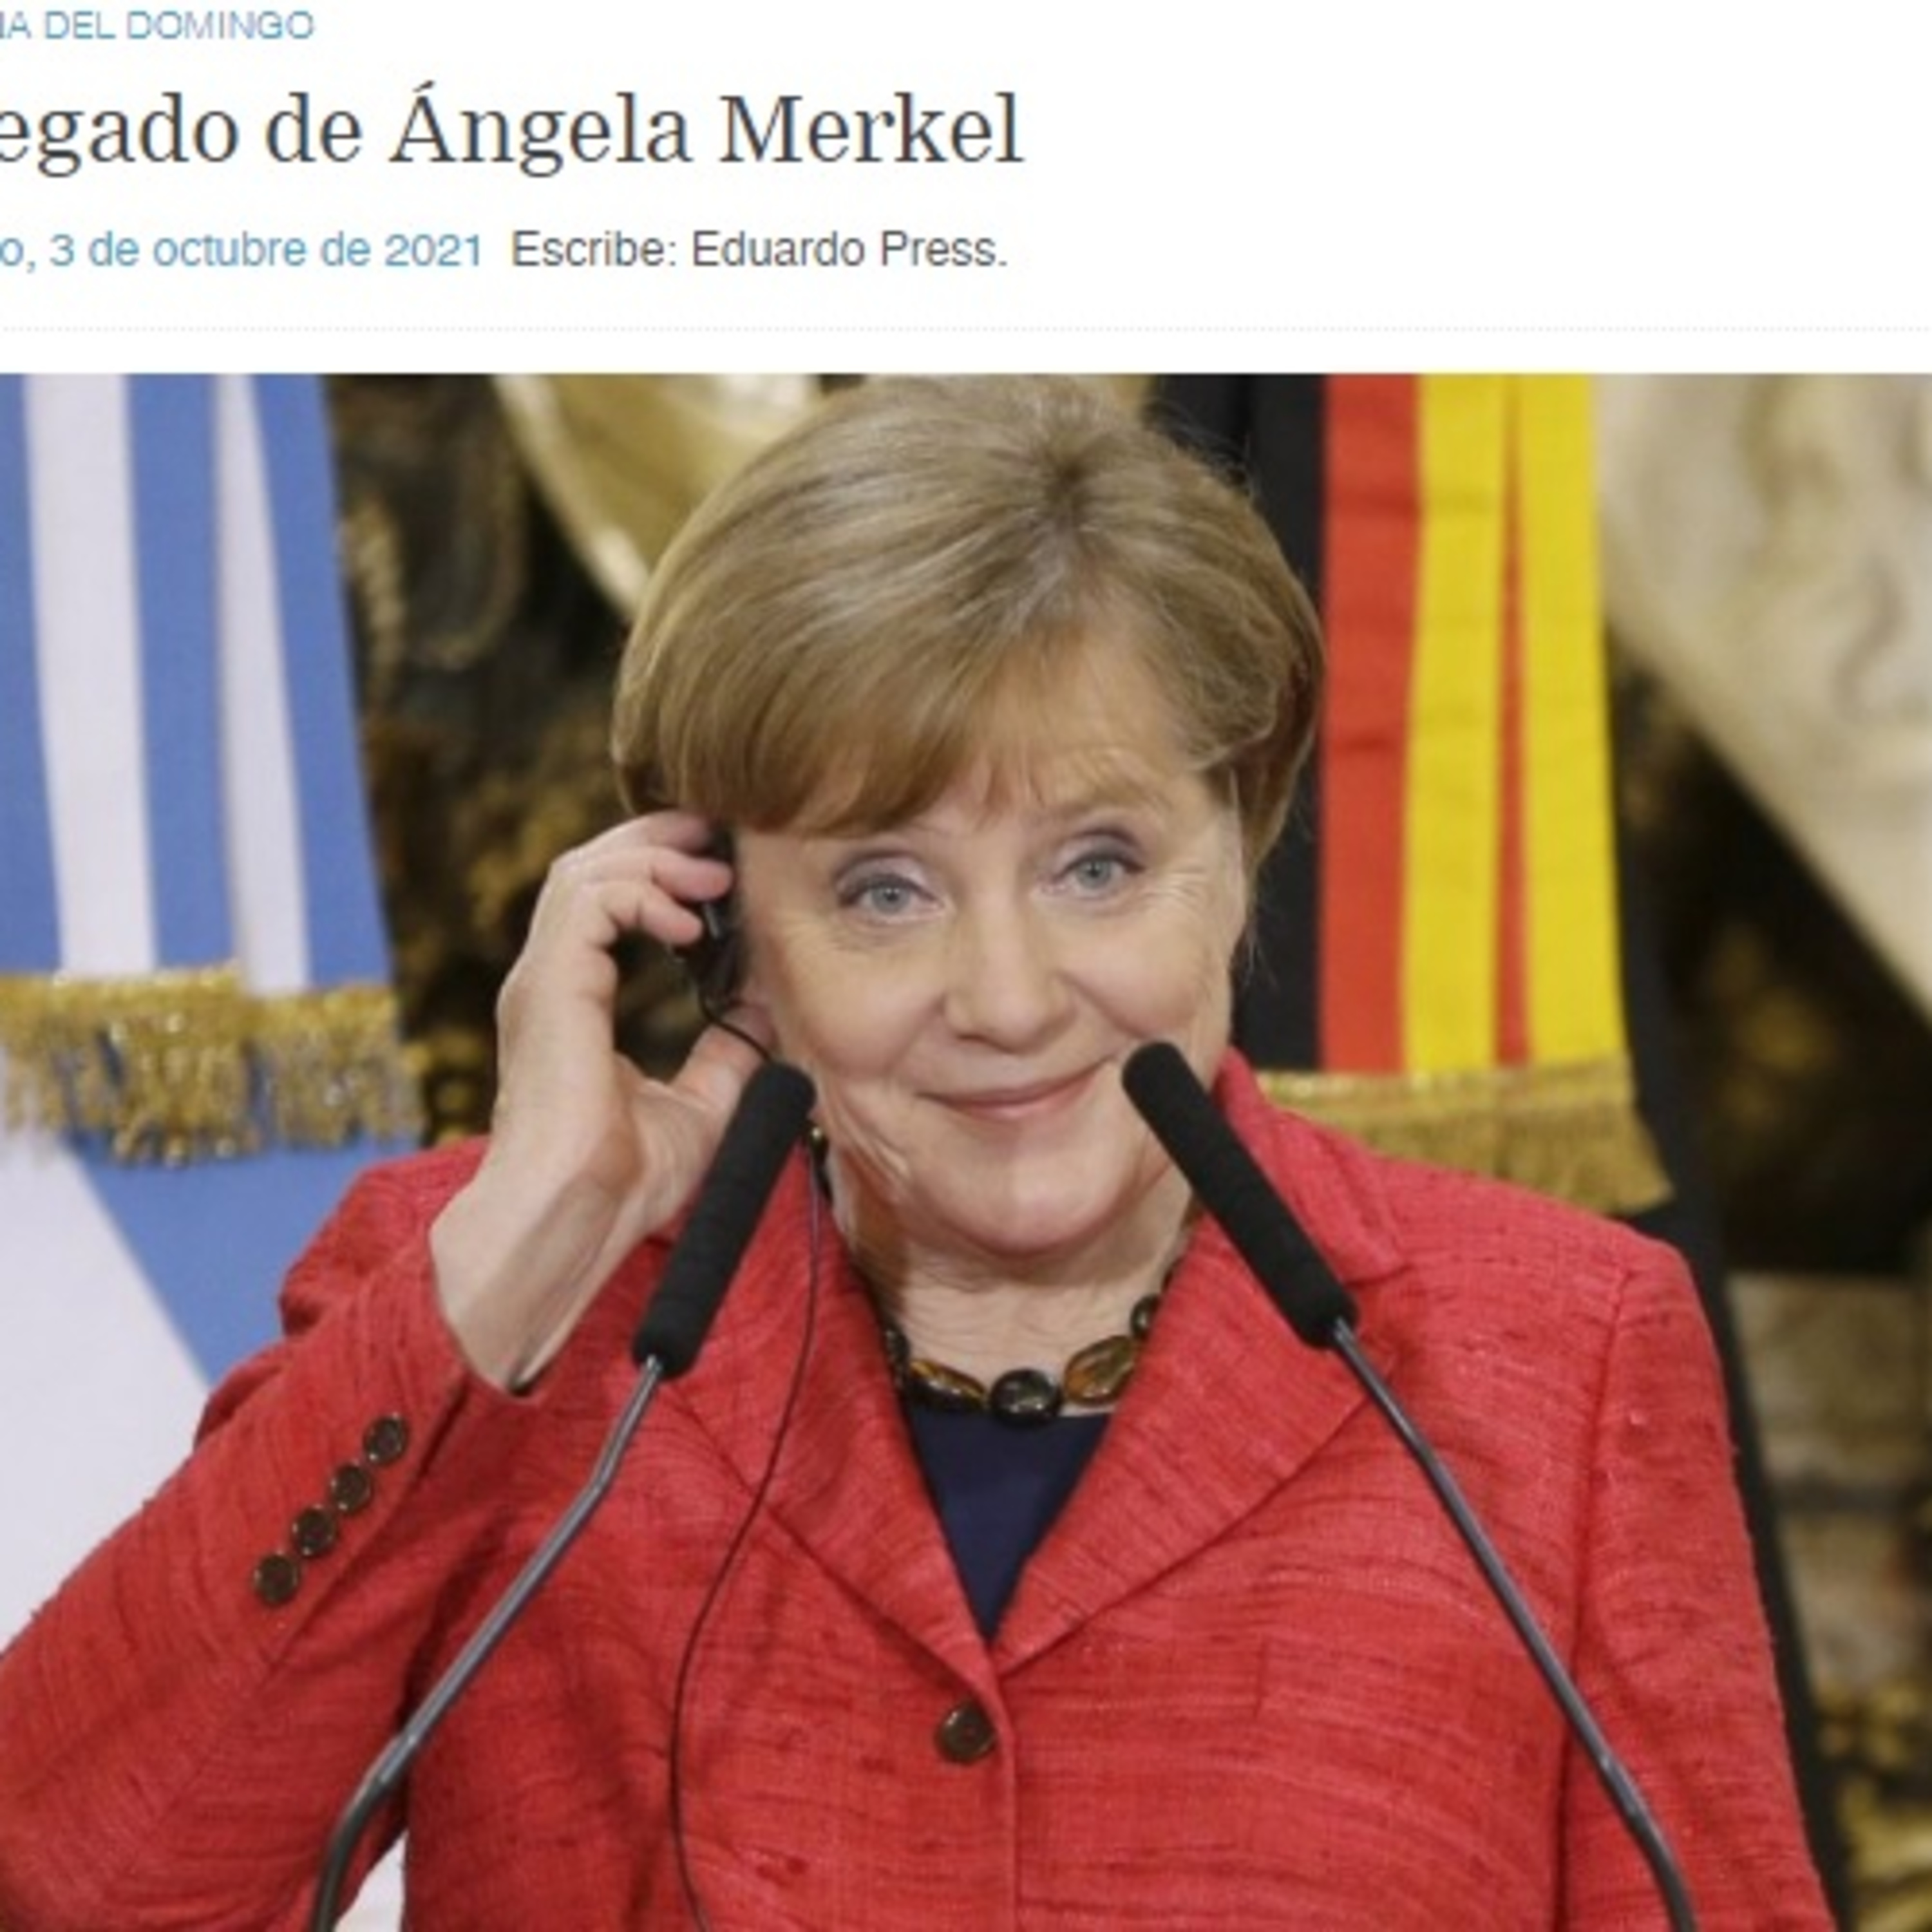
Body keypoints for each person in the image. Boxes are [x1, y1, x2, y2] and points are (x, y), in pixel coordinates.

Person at [0, 375, 1830, 1929]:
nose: (1010, 999)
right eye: (885, 890)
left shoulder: (1562, 1351)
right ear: (719, 927)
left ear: (1241, 848)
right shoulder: (496, 1301)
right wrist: (521, 1251)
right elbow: (69, 1884)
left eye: (1099, 865)